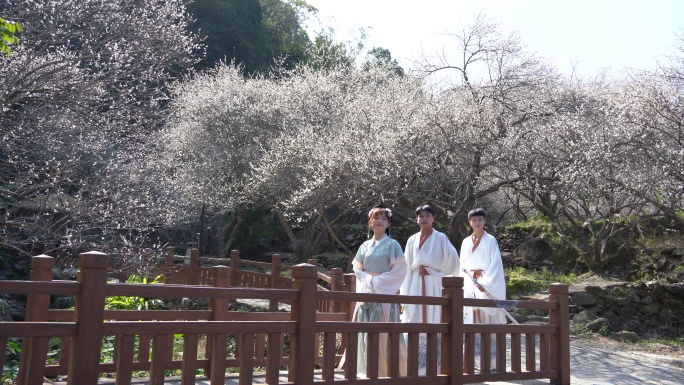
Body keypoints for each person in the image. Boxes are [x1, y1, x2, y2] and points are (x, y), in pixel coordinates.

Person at [345, 204, 407, 378]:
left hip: (384, 293)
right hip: (367, 291)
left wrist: (376, 280)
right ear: (370, 223)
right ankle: (365, 368)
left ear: (388, 224)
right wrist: (366, 279)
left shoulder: (392, 244)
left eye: (383, 219)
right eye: (376, 218)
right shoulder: (365, 245)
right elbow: (357, 267)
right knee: (364, 330)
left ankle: (385, 370)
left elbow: (399, 271)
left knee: (382, 332)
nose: (379, 221)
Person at [399, 204, 460, 375]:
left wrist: (444, 282)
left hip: (434, 283)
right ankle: (414, 366)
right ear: (416, 219)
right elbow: (406, 267)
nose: (424, 218)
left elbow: (453, 261)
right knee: (414, 318)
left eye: (428, 215)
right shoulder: (412, 240)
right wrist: (406, 291)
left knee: (435, 318)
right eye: (421, 216)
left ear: (433, 218)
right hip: (416, 283)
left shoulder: (441, 238)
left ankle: (434, 366)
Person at [459, 208, 506, 370]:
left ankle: (492, 362)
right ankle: (473, 361)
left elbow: (496, 265)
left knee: (488, 321)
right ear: (469, 222)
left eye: (480, 219)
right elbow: (462, 266)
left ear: (485, 221)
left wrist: (485, 283)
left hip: (486, 283)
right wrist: (465, 285)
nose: (477, 223)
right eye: (474, 220)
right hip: (470, 283)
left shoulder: (491, 240)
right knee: (471, 321)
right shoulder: (465, 242)